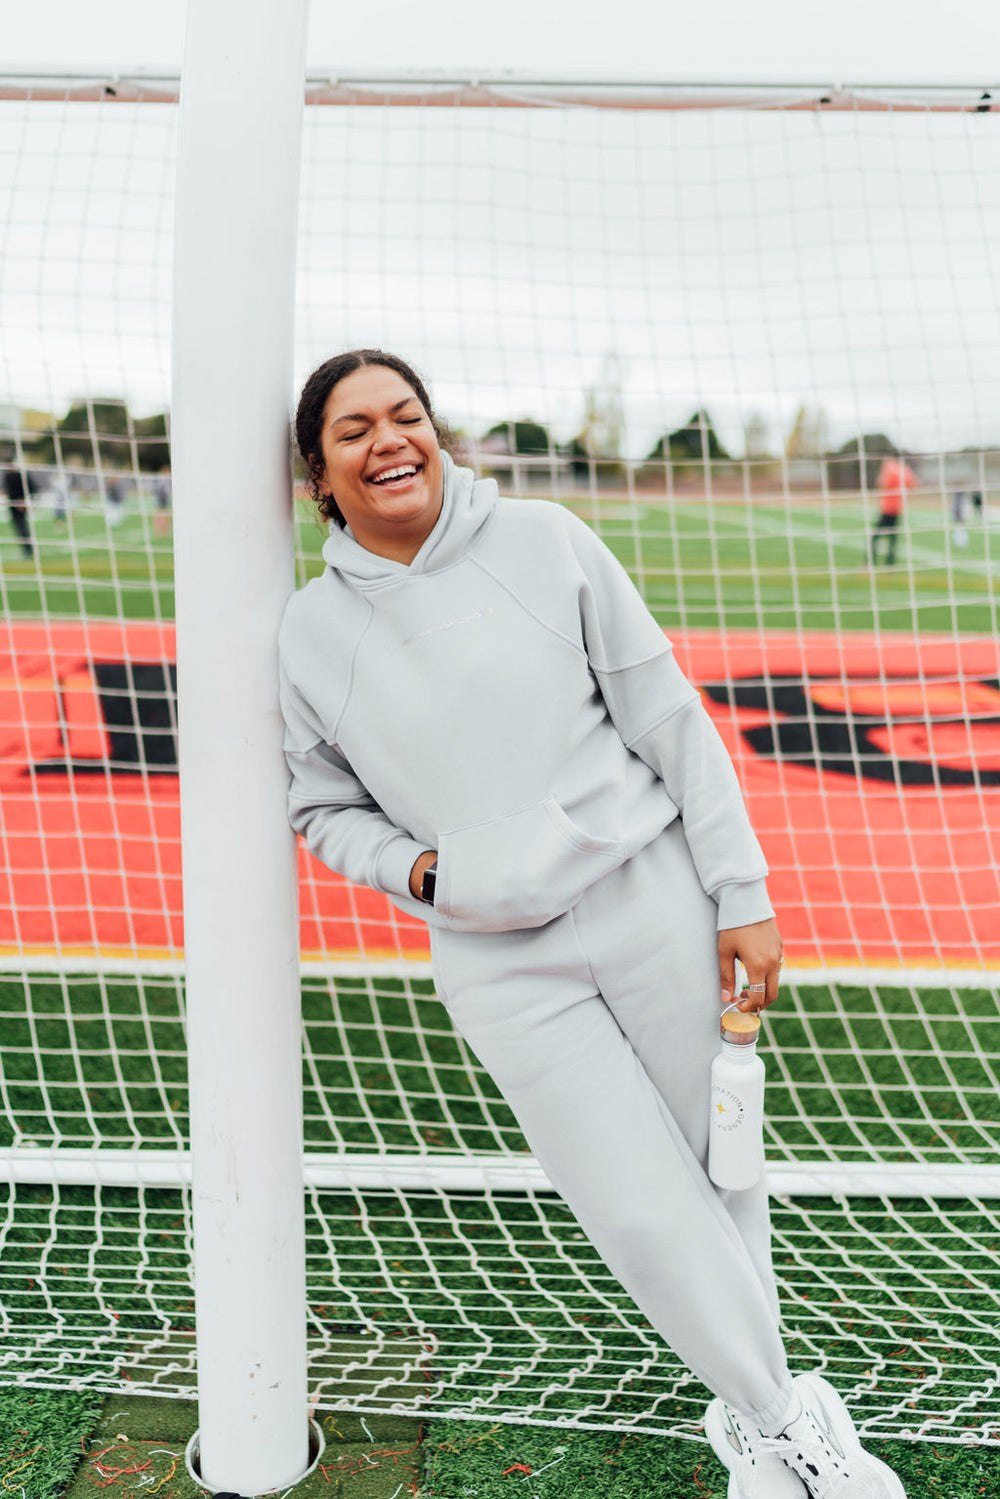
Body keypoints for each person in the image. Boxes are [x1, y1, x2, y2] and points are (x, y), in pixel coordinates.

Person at [278, 349, 906, 1499]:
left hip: (648, 892)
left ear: (437, 429)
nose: (390, 441)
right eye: (356, 428)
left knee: (721, 1182)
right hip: (497, 958)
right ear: (319, 471)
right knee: (631, 1202)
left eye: (406, 414)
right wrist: (418, 869)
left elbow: (669, 719)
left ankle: (765, 1439)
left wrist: (742, 892)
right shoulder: (307, 632)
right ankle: (792, 1420)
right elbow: (317, 805)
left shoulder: (547, 540)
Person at [870, 455, 918, 567]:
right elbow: (913, 484)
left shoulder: (888, 468)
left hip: (886, 508)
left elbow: (882, 484)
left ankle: (870, 562)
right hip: (897, 508)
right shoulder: (905, 469)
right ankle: (890, 564)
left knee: (875, 536)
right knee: (892, 538)